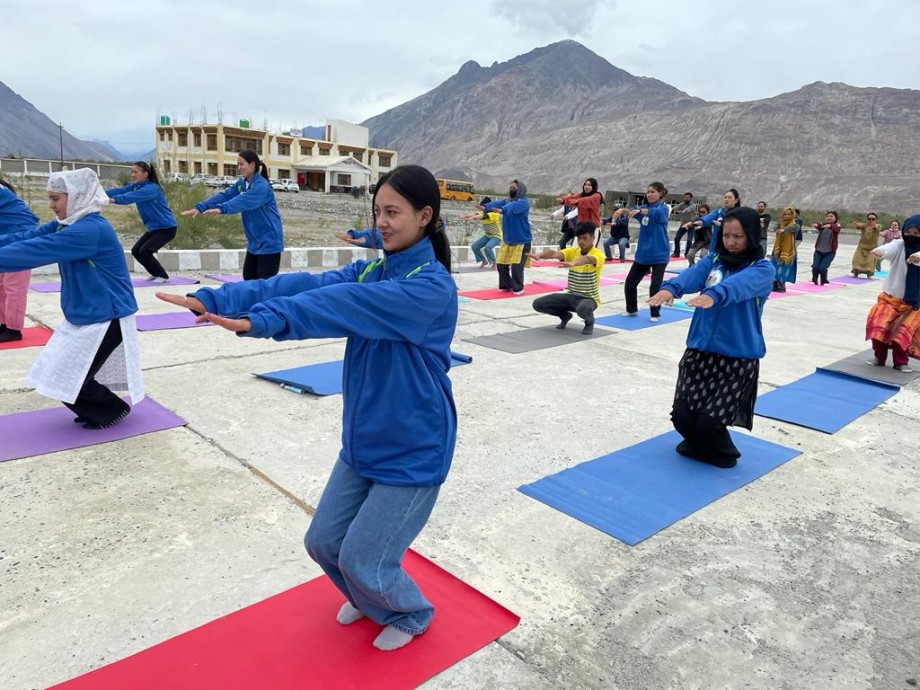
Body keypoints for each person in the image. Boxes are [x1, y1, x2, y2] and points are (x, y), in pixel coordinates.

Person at [158, 164, 457, 651]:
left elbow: (338, 305)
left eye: (393, 212)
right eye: (377, 211)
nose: (381, 222)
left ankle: (411, 612)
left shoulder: (429, 287)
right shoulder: (373, 266)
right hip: (363, 440)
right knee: (323, 544)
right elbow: (301, 286)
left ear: (425, 216)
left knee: (363, 558)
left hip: (414, 446)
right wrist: (215, 296)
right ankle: (370, 599)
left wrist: (262, 322)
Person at [0, 168, 143, 427]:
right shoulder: (68, 224)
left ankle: (111, 410)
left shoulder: (89, 230)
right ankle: (98, 408)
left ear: (77, 196)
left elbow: (33, 251)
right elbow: (25, 237)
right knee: (55, 372)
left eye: (56, 198)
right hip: (85, 313)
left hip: (107, 316)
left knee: (66, 377)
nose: (51, 205)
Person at [648, 207, 774, 468]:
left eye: (738, 236)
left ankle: (724, 454)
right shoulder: (714, 261)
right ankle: (700, 444)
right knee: (681, 418)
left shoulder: (762, 269)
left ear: (751, 236)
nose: (731, 242)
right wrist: (670, 289)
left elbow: (738, 287)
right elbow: (689, 276)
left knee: (709, 424)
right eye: (726, 235)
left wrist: (714, 295)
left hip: (736, 358)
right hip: (699, 352)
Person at [182, 149, 283, 280]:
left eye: (241, 164)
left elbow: (244, 201)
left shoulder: (261, 186)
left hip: (269, 243)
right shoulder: (243, 183)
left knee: (263, 286)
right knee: (248, 280)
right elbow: (226, 195)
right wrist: (201, 207)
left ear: (252, 165)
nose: (238, 168)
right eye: (238, 164)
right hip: (254, 243)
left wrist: (222, 209)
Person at [865, 214, 920, 373]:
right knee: (879, 325)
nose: (912, 236)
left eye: (917, 234)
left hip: (913, 303)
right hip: (890, 298)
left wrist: (917, 257)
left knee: (902, 333)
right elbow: (889, 248)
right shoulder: (900, 244)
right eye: (909, 232)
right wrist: (879, 251)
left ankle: (901, 362)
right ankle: (879, 357)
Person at [106, 161, 177, 283]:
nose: (132, 175)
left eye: (135, 172)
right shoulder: (136, 186)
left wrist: (111, 200)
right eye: (132, 172)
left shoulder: (151, 189)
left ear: (145, 174)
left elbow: (129, 197)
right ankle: (155, 274)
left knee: (145, 251)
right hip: (154, 228)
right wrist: (100, 193)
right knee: (136, 251)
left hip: (167, 228)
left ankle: (162, 276)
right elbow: (120, 191)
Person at [530, 221, 605, 335]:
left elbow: (588, 259)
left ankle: (589, 322)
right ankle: (565, 316)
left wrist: (574, 262)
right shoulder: (573, 251)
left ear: (593, 237)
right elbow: (554, 254)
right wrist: (540, 255)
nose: (581, 242)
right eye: (579, 238)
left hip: (589, 299)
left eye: (584, 238)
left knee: (583, 308)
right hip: (571, 296)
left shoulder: (598, 254)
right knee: (538, 304)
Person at [614, 182, 670, 322]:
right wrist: (622, 211)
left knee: (655, 286)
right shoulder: (643, 208)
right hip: (643, 255)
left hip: (659, 255)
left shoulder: (664, 209)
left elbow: (652, 212)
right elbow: (633, 210)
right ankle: (631, 309)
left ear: (660, 193)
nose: (649, 194)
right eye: (648, 192)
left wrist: (640, 211)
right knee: (630, 284)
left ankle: (655, 313)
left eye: (652, 192)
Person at [0, 180, 39, 342]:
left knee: (14, 286)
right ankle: (4, 323)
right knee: (2, 284)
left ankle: (14, 329)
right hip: (8, 236)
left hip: (22, 236)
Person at [484, 180, 531, 294]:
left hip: (521, 241)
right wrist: (485, 207)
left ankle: (518, 288)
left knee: (516, 267)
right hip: (508, 240)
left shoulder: (523, 202)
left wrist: (503, 210)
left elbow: (512, 207)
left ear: (520, 189)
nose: (511, 190)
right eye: (510, 187)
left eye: (514, 188)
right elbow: (498, 203)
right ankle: (506, 285)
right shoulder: (507, 201)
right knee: (501, 265)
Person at [462, 197, 502, 268]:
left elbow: (482, 216)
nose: (481, 209)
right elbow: (474, 214)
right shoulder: (482, 212)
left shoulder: (494, 214)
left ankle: (494, 263)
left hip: (496, 236)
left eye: (482, 207)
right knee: (474, 246)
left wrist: (473, 218)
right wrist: (465, 216)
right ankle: (484, 260)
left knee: (487, 247)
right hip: (487, 235)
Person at [770, 206, 798, 292]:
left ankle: (781, 285)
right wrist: (773, 228)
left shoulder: (795, 225)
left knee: (784, 267)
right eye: (785, 214)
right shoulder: (780, 223)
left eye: (789, 214)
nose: (786, 216)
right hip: (777, 249)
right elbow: (776, 226)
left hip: (788, 251)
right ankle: (774, 284)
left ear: (792, 215)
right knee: (774, 266)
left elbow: (791, 229)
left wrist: (783, 230)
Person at [811, 211, 840, 285]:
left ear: (835, 218)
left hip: (829, 253)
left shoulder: (837, 225)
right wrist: (816, 225)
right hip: (818, 251)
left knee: (822, 268)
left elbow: (836, 228)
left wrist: (830, 226)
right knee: (815, 267)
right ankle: (814, 280)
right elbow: (819, 224)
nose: (829, 217)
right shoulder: (823, 225)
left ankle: (823, 280)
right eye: (828, 216)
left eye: (831, 216)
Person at [852, 213, 881, 278]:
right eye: (869, 219)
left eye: (873, 219)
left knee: (869, 265)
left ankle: (869, 276)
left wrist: (874, 226)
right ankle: (855, 275)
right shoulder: (864, 226)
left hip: (872, 249)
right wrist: (856, 225)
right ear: (867, 219)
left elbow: (878, 228)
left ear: (876, 220)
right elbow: (859, 226)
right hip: (861, 247)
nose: (871, 220)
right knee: (856, 262)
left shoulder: (878, 226)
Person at [671, 192, 695, 257]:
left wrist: (684, 211)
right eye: (685, 197)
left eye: (687, 198)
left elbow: (689, 209)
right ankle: (676, 253)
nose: (686, 199)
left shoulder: (693, 205)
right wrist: (676, 210)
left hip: (691, 225)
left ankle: (687, 254)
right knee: (677, 238)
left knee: (689, 240)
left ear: (691, 198)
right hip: (683, 225)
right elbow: (675, 207)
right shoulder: (682, 204)